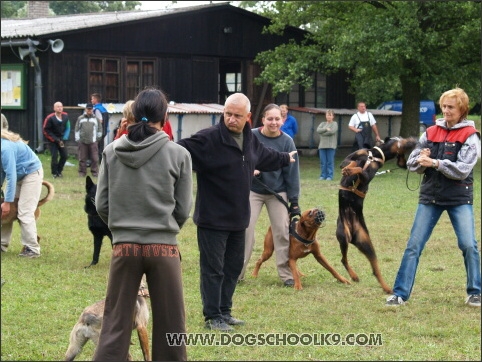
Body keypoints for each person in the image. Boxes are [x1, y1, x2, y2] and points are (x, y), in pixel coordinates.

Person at [177, 93, 297, 332]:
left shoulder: (249, 140)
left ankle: (225, 311)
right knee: (213, 270)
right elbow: (179, 151)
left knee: (232, 267)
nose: (231, 119)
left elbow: (265, 156)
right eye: (228, 114)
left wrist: (286, 158)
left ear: (248, 117)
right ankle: (212, 317)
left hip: (238, 217)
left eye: (237, 115)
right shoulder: (208, 139)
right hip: (212, 219)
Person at [93, 88, 193, 361]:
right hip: (163, 248)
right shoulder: (178, 154)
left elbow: (101, 204)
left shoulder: (111, 152)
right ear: (166, 116)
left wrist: (121, 229)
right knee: (171, 323)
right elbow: (183, 208)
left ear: (133, 115)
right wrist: (164, 228)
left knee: (115, 322)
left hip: (124, 247)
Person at [386, 88, 481, 308]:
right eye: (444, 106)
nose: (446, 111)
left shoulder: (470, 135)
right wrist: (421, 158)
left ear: (462, 110)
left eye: (451, 107)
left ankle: (475, 292)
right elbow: (411, 164)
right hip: (430, 197)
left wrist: (435, 163)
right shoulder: (429, 132)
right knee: (414, 245)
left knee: (469, 245)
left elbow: (463, 169)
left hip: (459, 198)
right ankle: (399, 294)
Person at [239, 103, 300, 287]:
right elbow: (239, 158)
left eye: (277, 119)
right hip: (254, 190)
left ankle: (287, 274)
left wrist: (294, 201)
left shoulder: (287, 141)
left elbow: (292, 173)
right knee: (245, 230)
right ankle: (236, 274)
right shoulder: (252, 136)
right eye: (270, 119)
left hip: (277, 192)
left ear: (282, 120)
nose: (274, 122)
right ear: (263, 120)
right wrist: (249, 169)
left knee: (282, 231)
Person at [1, 121, 44, 258]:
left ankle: (32, 248)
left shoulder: (5, 148)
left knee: (24, 211)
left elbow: (11, 176)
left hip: (31, 173)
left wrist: (7, 202)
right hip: (20, 174)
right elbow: (2, 171)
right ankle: (2, 244)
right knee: (5, 213)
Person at [42, 101, 70, 178]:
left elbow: (68, 127)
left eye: (61, 106)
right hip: (52, 140)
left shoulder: (65, 116)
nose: (60, 108)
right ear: (54, 108)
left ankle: (59, 171)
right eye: (58, 106)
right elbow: (45, 130)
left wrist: (64, 138)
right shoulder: (50, 118)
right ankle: (54, 173)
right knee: (54, 156)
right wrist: (54, 139)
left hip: (62, 140)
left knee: (64, 155)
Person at [75, 103, 102, 177]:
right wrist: (78, 139)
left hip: (93, 142)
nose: (89, 110)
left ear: (92, 109)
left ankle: (95, 172)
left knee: (95, 158)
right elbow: (77, 129)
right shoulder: (80, 118)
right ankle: (82, 172)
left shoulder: (96, 119)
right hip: (82, 142)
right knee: (82, 158)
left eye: (90, 109)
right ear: (85, 109)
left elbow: (99, 129)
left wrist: (97, 139)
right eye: (88, 109)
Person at [316, 109, 338, 181]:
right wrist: (326, 129)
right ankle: (323, 175)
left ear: (333, 116)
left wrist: (323, 133)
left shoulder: (334, 124)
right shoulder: (322, 124)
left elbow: (332, 132)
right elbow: (318, 130)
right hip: (322, 146)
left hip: (331, 146)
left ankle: (330, 176)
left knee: (329, 162)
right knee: (323, 162)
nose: (328, 117)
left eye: (330, 115)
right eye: (327, 115)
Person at [91, 93, 110, 161]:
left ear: (96, 100)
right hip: (104, 130)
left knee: (96, 147)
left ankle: (97, 160)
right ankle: (101, 160)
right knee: (101, 146)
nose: (91, 100)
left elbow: (100, 121)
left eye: (92, 99)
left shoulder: (97, 109)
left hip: (99, 131)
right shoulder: (103, 108)